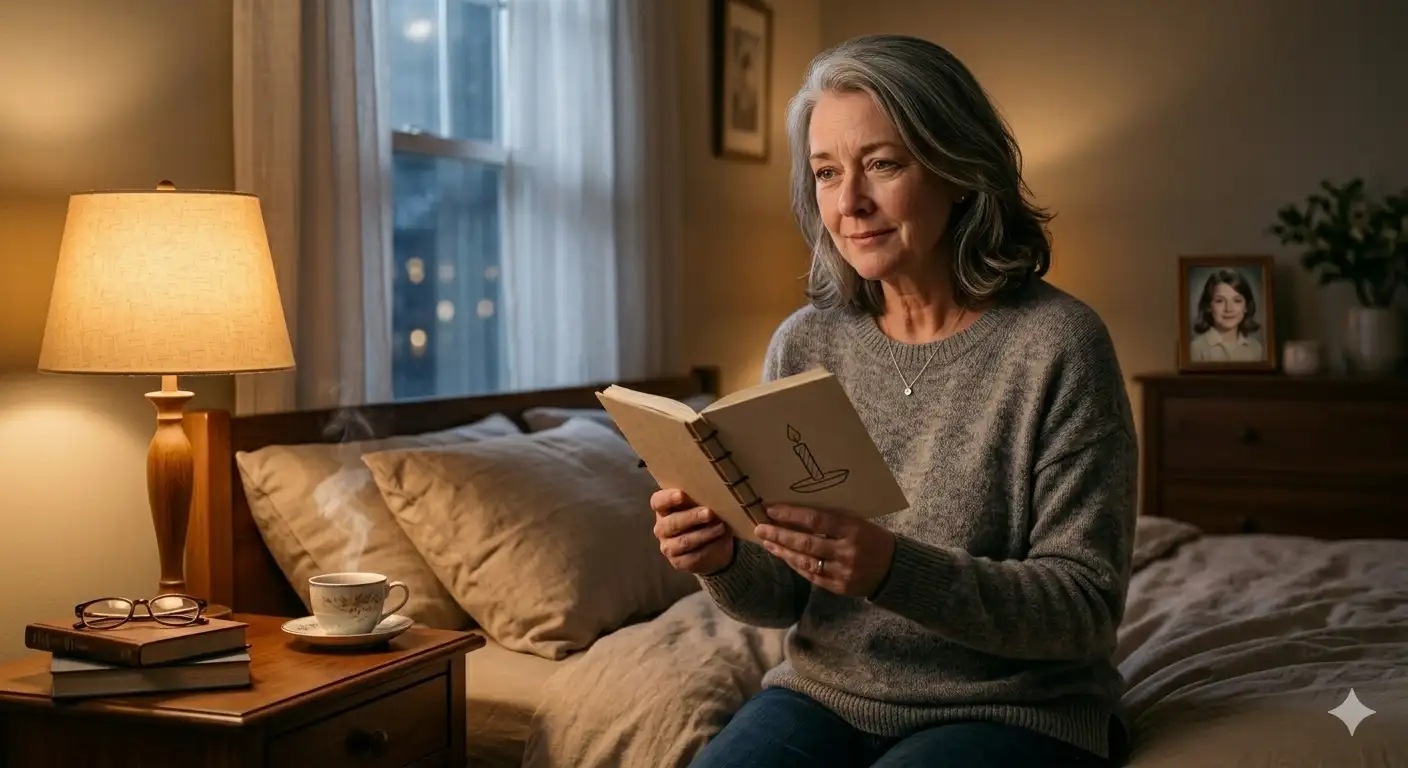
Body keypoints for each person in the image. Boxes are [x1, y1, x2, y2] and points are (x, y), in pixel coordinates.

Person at [649, 34, 1137, 768]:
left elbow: (1084, 610)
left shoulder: (1058, 344)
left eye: (882, 163)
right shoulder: (805, 344)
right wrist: (720, 559)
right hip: (825, 695)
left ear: (957, 168)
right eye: (825, 172)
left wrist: (890, 569)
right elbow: (783, 595)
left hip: (1017, 708)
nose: (850, 203)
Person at [1189, 269, 1264, 362]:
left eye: (1237, 301)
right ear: (1208, 306)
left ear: (1246, 307)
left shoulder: (1256, 348)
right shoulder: (1196, 348)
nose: (1229, 309)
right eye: (1220, 301)